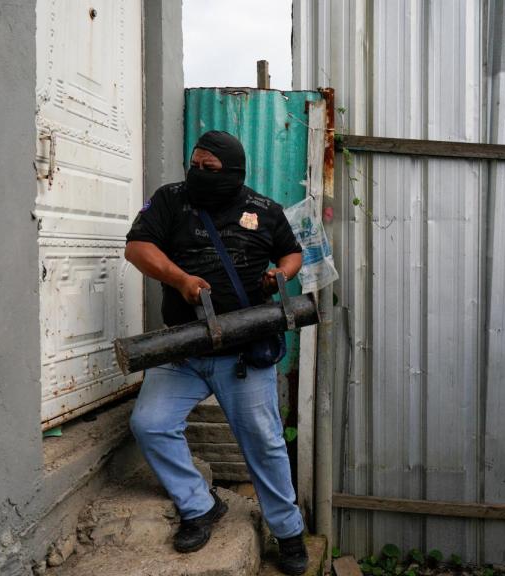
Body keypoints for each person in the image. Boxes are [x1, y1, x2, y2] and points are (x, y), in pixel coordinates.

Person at [124, 130, 308, 574]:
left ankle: (287, 532)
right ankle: (198, 505)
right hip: (182, 348)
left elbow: (292, 254)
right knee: (149, 424)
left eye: (210, 169)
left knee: (264, 445)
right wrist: (180, 278)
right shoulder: (170, 199)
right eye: (195, 165)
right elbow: (137, 248)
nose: (199, 174)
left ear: (235, 172)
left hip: (244, 356)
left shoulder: (265, 210)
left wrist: (278, 275)